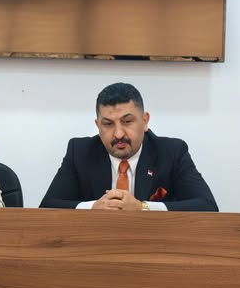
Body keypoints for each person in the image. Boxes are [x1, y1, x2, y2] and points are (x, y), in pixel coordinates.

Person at [39, 83, 218, 211]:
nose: (118, 134)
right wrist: (93, 207)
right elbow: (48, 207)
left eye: (127, 122)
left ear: (145, 121)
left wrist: (143, 207)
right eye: (108, 124)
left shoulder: (171, 152)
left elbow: (207, 206)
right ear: (97, 125)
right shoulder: (80, 151)